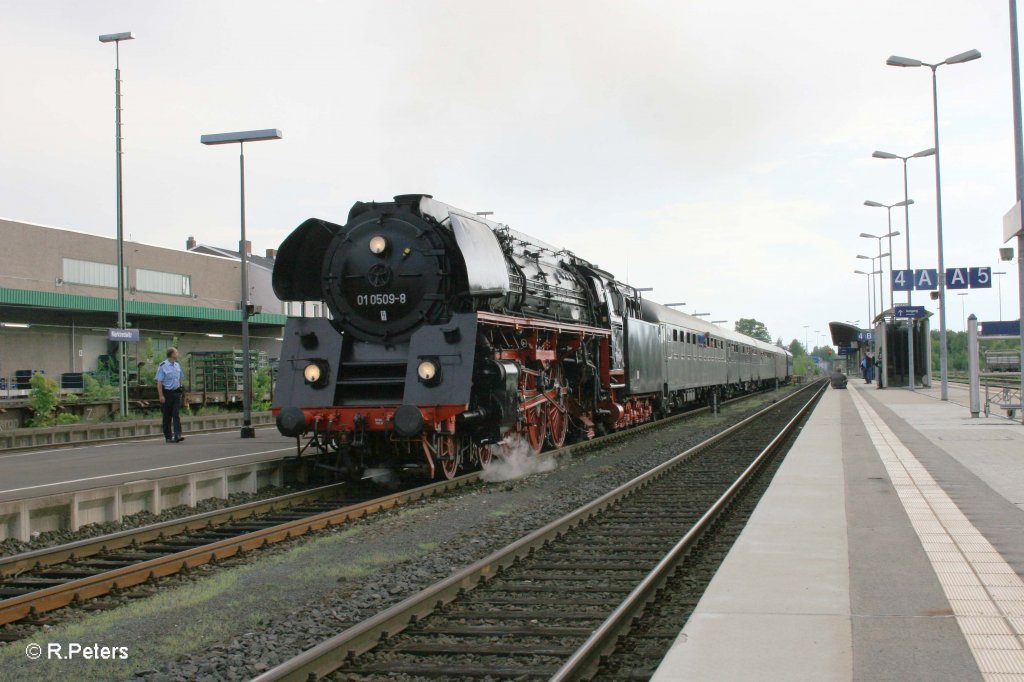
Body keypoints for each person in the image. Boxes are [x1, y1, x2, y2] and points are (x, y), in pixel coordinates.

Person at [156, 347, 185, 443]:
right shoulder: (163, 366)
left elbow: (180, 377)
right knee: (167, 416)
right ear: (172, 354)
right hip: (167, 394)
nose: (177, 354)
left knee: (176, 414)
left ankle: (177, 435)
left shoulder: (177, 365)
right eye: (176, 352)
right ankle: (168, 436)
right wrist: (161, 395)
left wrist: (180, 387)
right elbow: (159, 382)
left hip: (176, 393)